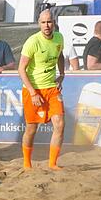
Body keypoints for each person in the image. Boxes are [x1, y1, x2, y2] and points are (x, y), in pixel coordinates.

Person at [17, 9, 65, 170]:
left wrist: (62, 74)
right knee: (31, 128)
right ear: (39, 24)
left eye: (49, 22)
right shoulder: (32, 42)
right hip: (33, 89)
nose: (47, 25)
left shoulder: (59, 38)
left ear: (54, 23)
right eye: (43, 22)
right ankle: (26, 164)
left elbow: (60, 55)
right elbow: (21, 69)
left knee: (59, 124)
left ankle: (52, 164)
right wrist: (32, 92)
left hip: (51, 88)